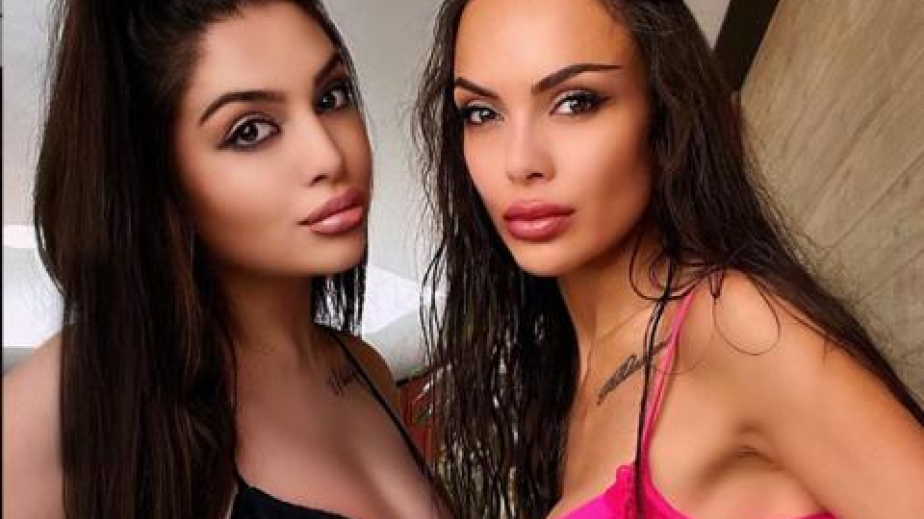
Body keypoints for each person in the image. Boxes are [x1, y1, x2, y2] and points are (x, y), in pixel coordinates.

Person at [414, 0, 924, 518]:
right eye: (482, 114)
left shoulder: (731, 325)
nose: (520, 162)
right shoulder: (570, 381)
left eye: (576, 102)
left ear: (665, 109)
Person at [3, 1, 446, 518]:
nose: (328, 155)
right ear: (159, 177)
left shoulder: (362, 368)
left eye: (331, 97)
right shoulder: (76, 395)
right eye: (250, 131)